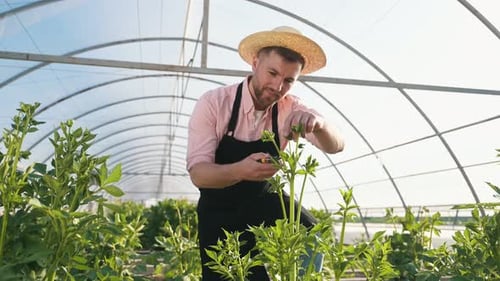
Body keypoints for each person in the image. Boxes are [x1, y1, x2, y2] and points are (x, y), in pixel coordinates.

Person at [186, 26, 344, 281]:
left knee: (311, 233)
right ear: (255, 63)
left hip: (263, 199)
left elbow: (336, 145)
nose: (278, 86)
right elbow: (199, 174)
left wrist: (320, 123)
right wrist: (240, 169)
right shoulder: (214, 103)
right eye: (272, 73)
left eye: (289, 80)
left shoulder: (289, 109)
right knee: (232, 275)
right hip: (219, 208)